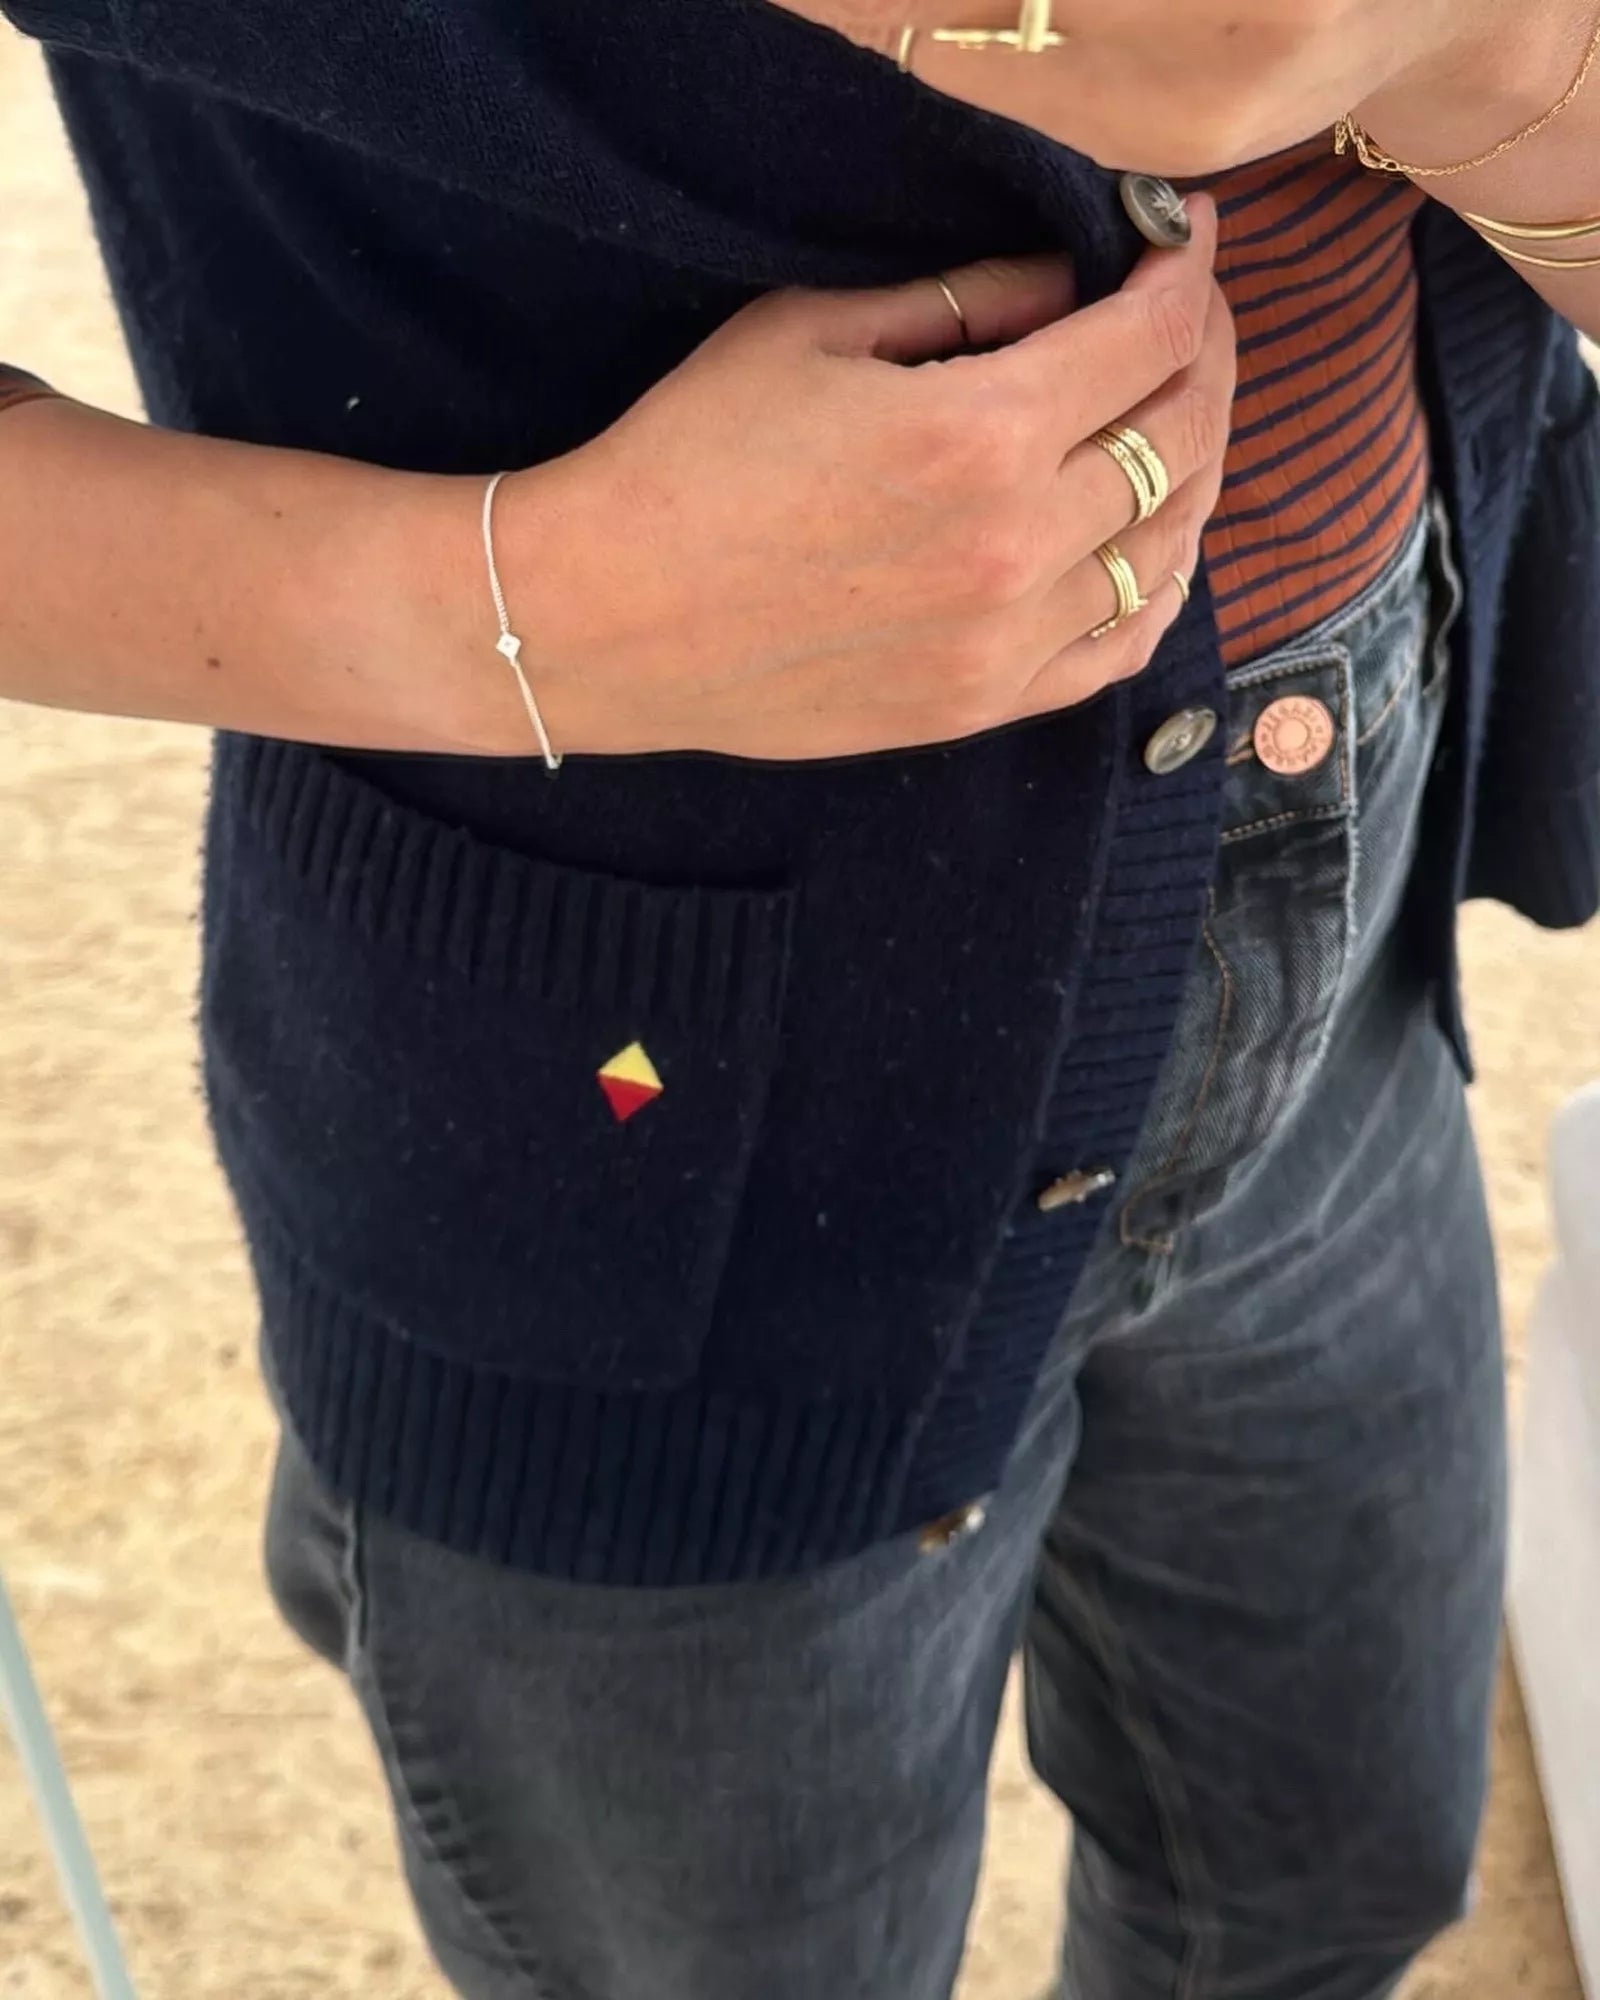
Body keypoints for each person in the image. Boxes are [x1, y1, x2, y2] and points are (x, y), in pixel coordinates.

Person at [2, 0, 1598, 1993]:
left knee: (1328, 1888)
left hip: (1342, 995)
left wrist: (1489, 68)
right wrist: (527, 611)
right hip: (636, 1149)